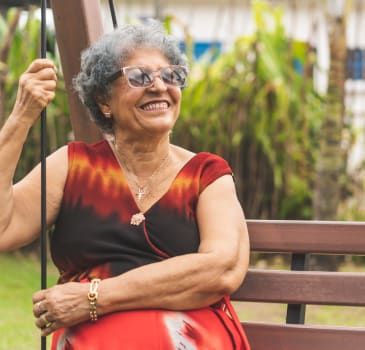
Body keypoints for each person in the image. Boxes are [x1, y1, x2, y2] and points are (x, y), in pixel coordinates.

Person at [0, 23, 251, 349]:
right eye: (139, 77)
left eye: (171, 75)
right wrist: (22, 116)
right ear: (104, 100)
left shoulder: (206, 174)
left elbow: (222, 268)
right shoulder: (73, 166)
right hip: (93, 339)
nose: (159, 85)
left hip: (187, 334)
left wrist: (94, 297)